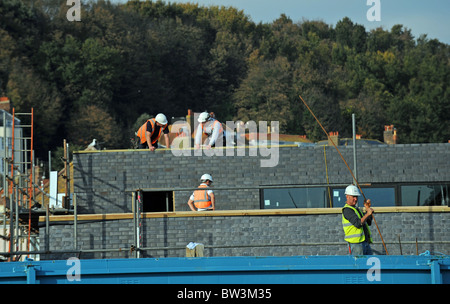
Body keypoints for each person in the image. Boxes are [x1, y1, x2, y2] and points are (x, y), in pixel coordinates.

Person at [341, 184, 374, 255]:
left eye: (356, 197)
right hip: (355, 244)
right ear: (347, 196)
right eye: (353, 197)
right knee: (359, 265)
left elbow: (368, 222)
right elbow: (358, 224)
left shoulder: (356, 209)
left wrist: (367, 208)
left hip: (364, 242)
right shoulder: (347, 210)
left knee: (369, 263)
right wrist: (368, 214)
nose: (355, 199)